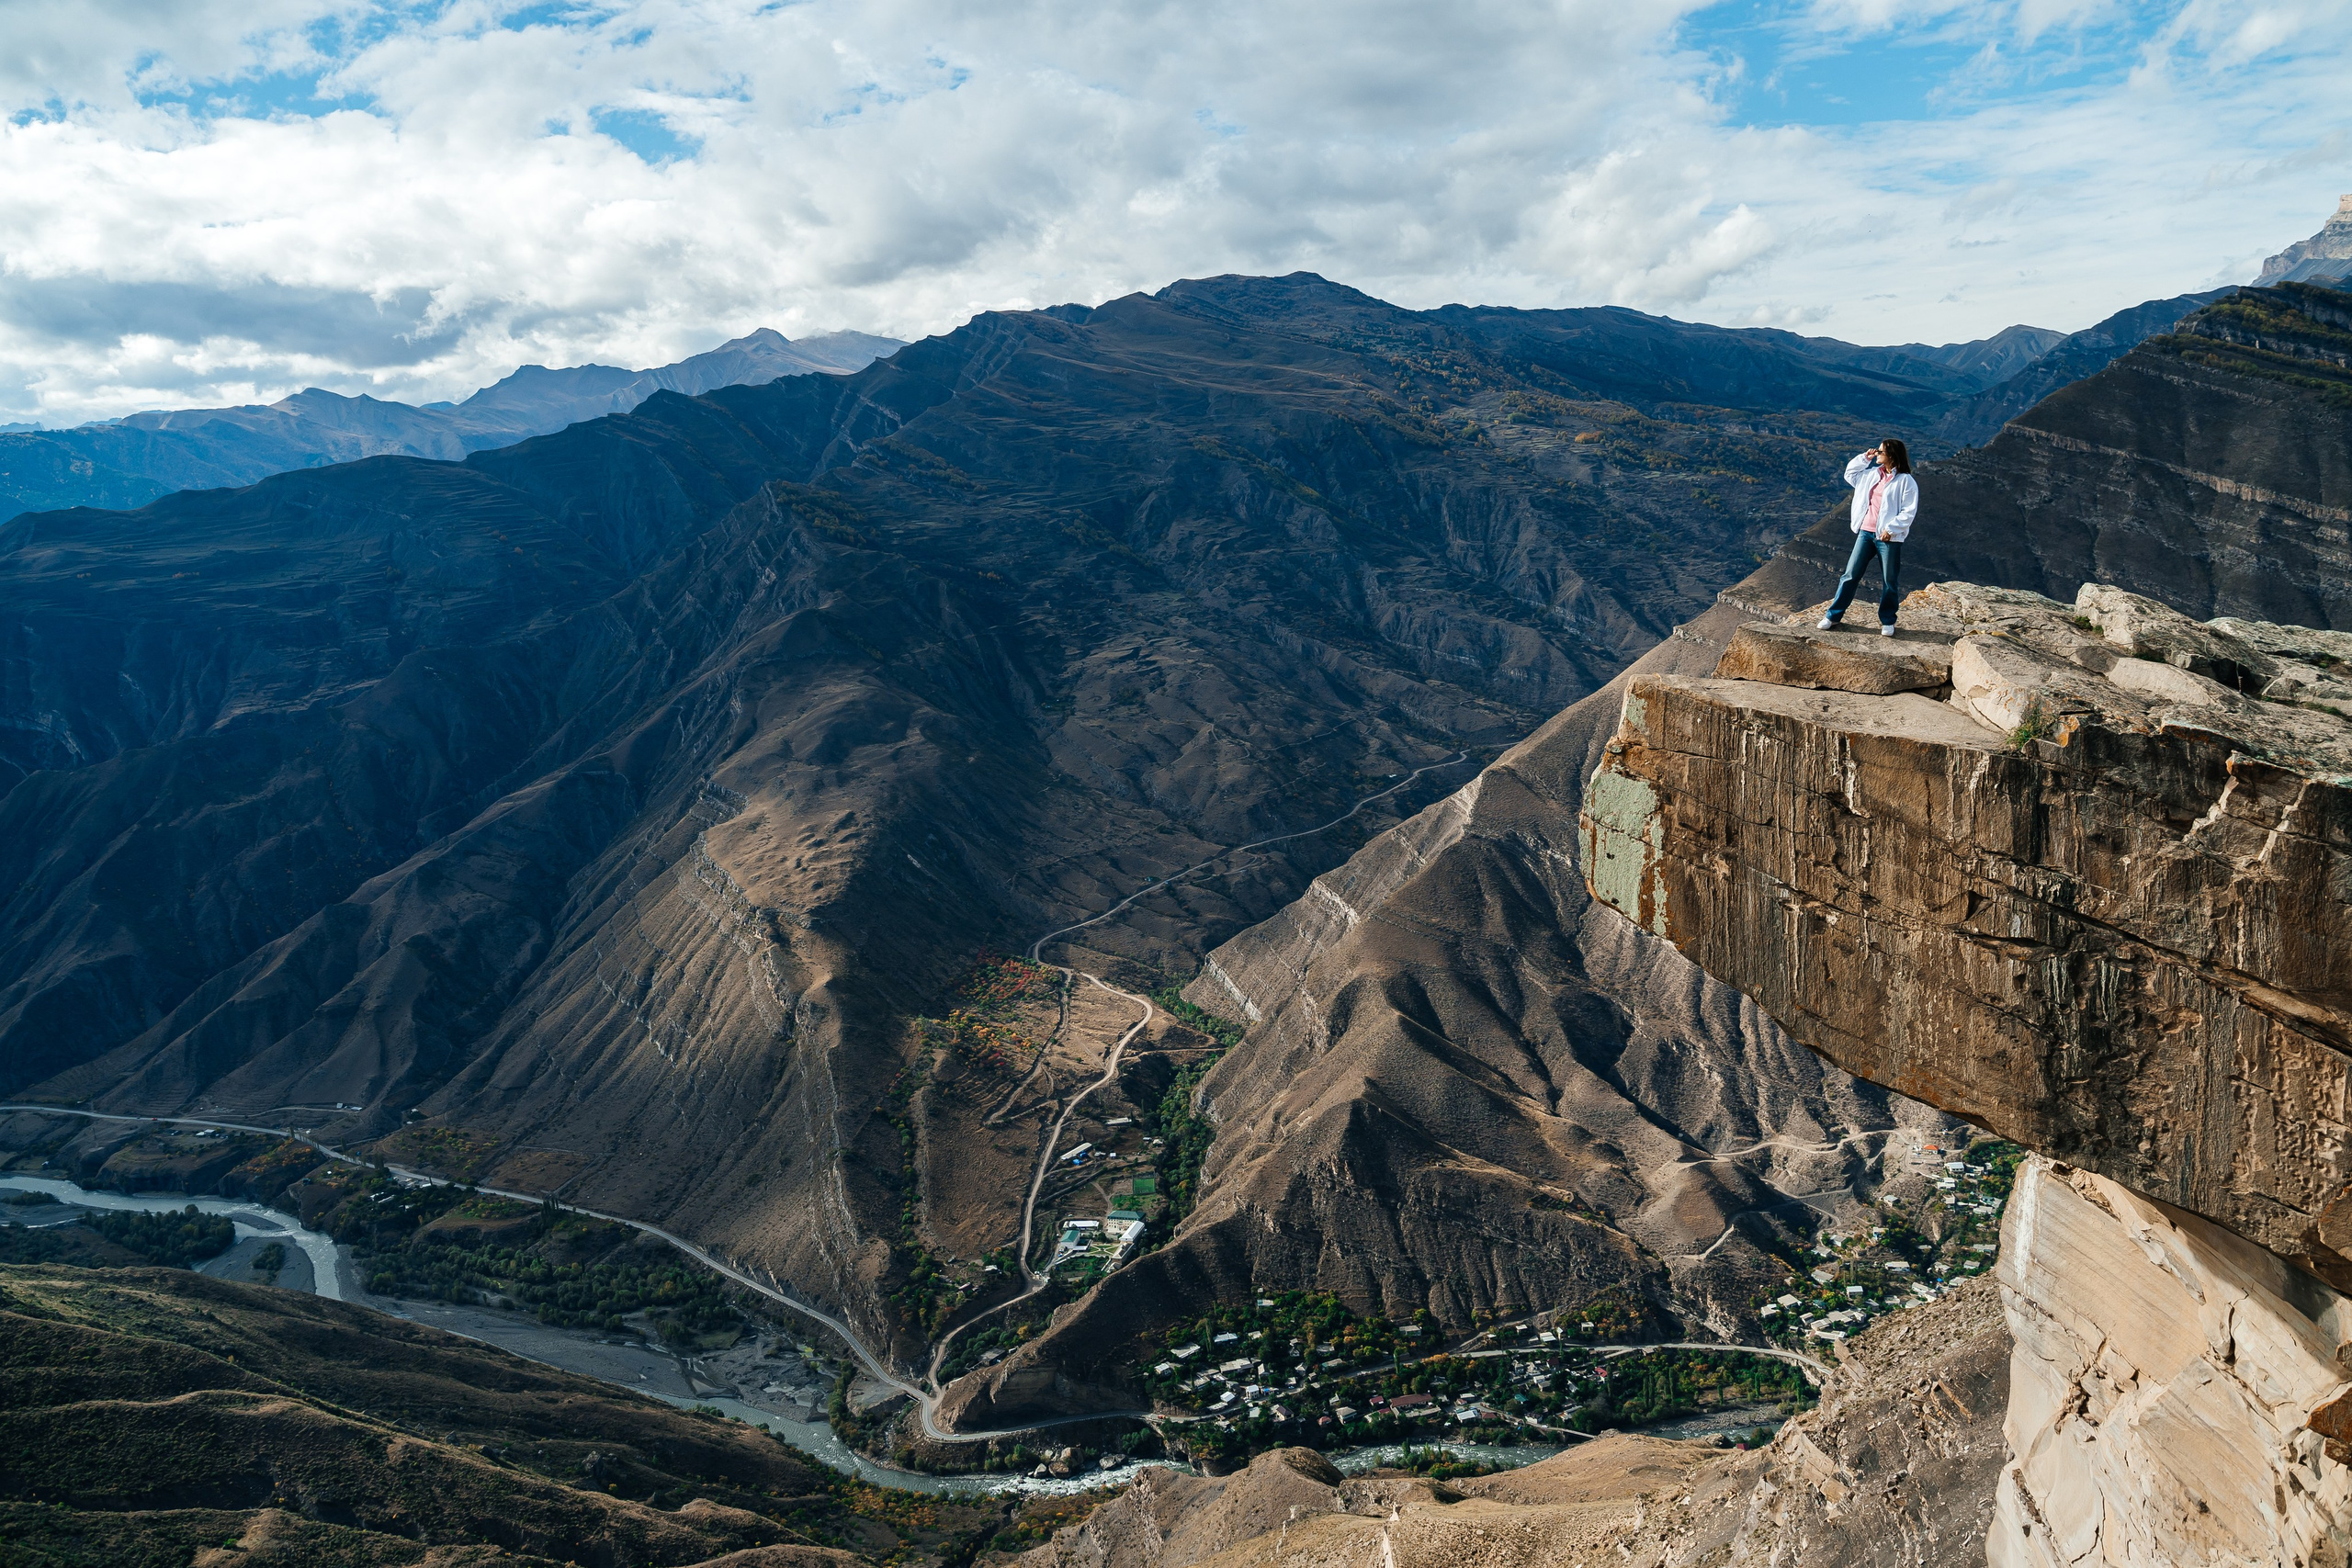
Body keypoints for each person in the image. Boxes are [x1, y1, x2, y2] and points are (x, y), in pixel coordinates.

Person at [1818, 438, 1917, 636]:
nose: (1877, 453)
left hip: (1888, 537)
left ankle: (1887, 621)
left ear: (1892, 455)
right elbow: (1850, 474)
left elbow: (1909, 510)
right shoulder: (1870, 475)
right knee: (1850, 575)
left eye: (1880, 451)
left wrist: (1891, 529)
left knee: (1889, 580)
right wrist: (1865, 458)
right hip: (1865, 533)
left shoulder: (1906, 481)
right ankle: (1833, 616)